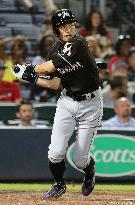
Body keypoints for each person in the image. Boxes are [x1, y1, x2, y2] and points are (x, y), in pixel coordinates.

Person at [12, 9, 103, 198]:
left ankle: (90, 172)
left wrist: (28, 69)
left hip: (91, 104)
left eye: (71, 24)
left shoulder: (78, 43)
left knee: (79, 160)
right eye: (63, 25)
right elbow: (54, 83)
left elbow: (48, 67)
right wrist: (32, 79)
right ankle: (59, 184)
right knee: (55, 153)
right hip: (67, 101)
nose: (68, 28)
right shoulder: (54, 50)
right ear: (56, 29)